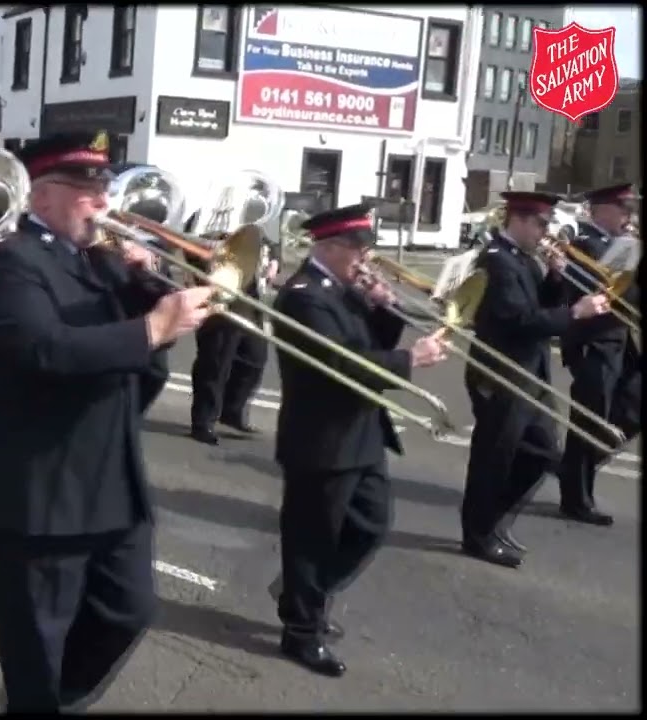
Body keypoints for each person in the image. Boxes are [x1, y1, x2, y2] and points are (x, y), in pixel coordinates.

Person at [0, 132, 212, 712]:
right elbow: (45, 350)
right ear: (43, 197)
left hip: (112, 482)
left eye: (104, 186)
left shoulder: (100, 261)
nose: (104, 201)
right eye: (87, 189)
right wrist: (151, 328)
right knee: (38, 643)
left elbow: (143, 363)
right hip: (43, 492)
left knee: (130, 609)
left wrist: (156, 287)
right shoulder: (8, 263)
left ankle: (56, 699)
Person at [270, 203, 451, 678]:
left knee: (371, 524)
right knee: (312, 539)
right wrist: (410, 360)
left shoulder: (341, 288)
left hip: (361, 431)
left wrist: (383, 307)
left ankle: (300, 594)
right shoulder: (305, 296)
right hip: (323, 438)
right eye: (358, 250)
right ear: (328, 247)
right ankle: (301, 631)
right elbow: (343, 366)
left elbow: (368, 341)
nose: (365, 260)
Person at [461, 191, 610, 569]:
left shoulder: (522, 260)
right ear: (520, 220)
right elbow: (520, 322)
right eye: (543, 225)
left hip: (529, 372)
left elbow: (538, 304)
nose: (548, 234)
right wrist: (575, 311)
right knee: (493, 457)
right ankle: (478, 535)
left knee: (542, 454)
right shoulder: (497, 261)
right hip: (502, 372)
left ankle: (492, 520)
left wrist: (557, 279)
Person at [555, 183, 639, 526]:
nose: (628, 214)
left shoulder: (624, 244)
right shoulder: (584, 245)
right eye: (621, 208)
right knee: (590, 416)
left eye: (629, 208)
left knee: (632, 405)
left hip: (620, 338)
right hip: (593, 342)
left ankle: (577, 466)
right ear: (600, 209)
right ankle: (576, 496)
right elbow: (593, 291)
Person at [187, 227, 278, 443]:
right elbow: (191, 247)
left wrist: (275, 261)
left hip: (251, 301)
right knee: (215, 365)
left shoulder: (260, 219)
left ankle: (232, 410)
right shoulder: (209, 215)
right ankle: (203, 421)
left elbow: (272, 244)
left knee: (254, 360)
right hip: (223, 300)